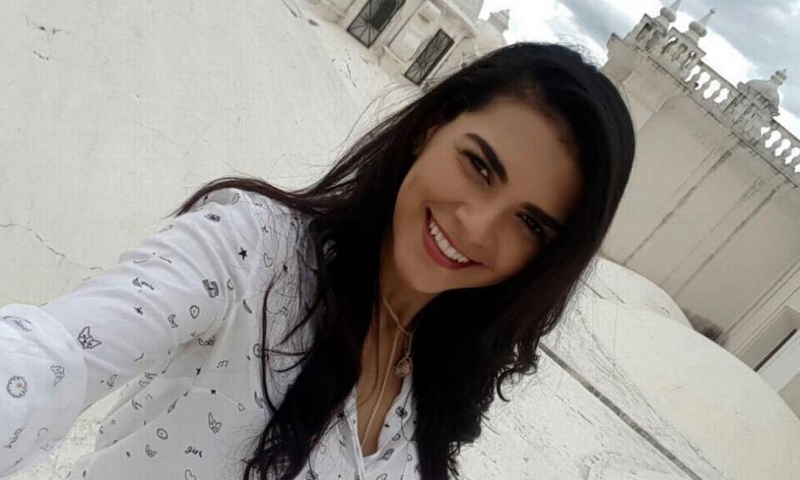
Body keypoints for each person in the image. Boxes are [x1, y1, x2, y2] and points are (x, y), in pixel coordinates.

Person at [0, 42, 635, 480]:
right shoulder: (254, 255)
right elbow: (54, 356)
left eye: (529, 223)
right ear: (430, 128)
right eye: (479, 165)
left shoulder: (438, 380)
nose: (476, 225)